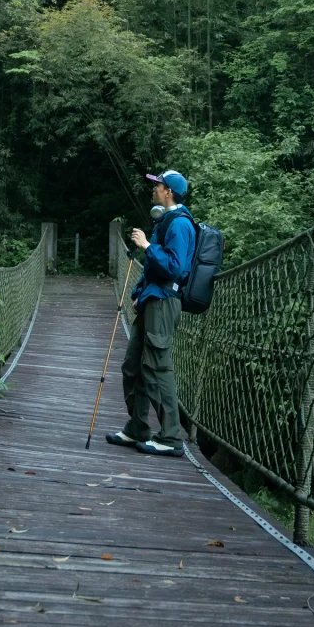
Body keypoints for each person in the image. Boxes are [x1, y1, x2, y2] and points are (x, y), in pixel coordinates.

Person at [106, 169, 195, 457]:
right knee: (133, 365)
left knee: (158, 367)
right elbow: (155, 268)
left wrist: (145, 245)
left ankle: (170, 437)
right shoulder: (165, 221)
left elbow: (175, 268)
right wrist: (139, 294)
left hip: (165, 302)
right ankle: (137, 428)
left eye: (157, 185)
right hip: (151, 299)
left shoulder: (180, 225)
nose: (153, 189)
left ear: (168, 191)